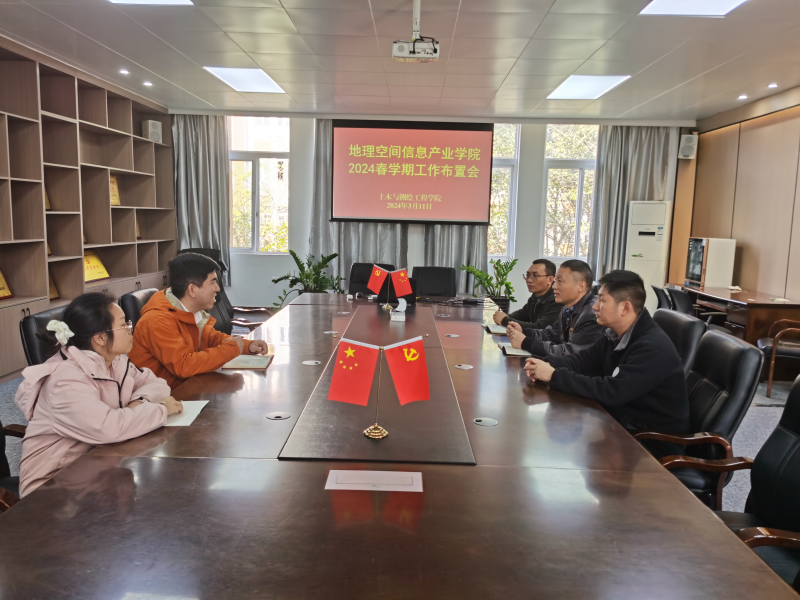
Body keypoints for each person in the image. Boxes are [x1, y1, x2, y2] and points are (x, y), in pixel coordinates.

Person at [14, 293, 183, 497]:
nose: (131, 328)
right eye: (124, 324)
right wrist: (160, 410)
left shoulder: (114, 361)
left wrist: (138, 403)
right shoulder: (66, 381)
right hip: (51, 486)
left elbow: (157, 384)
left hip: (97, 468)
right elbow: (109, 428)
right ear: (100, 338)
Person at [523, 270, 690, 457]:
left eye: (602, 300)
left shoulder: (651, 348)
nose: (595, 306)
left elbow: (612, 391)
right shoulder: (614, 334)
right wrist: (546, 363)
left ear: (624, 308)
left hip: (650, 444)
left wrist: (554, 376)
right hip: (621, 425)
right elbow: (583, 361)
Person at [130, 252, 269, 389]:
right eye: (213, 282)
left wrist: (246, 346)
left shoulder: (190, 310)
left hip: (187, 388)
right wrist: (232, 349)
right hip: (163, 397)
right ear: (192, 289)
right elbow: (184, 365)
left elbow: (212, 338)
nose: (218, 288)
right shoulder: (157, 320)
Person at [507, 259, 604, 357]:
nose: (554, 286)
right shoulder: (566, 309)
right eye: (555, 280)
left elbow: (570, 352)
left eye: (560, 281)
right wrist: (523, 331)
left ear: (581, 286)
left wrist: (526, 342)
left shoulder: (592, 314)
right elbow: (550, 334)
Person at [492, 258, 560, 330]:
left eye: (535, 276)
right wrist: (506, 316)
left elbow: (539, 328)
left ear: (550, 279)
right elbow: (523, 314)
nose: (529, 280)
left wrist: (504, 320)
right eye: (528, 275)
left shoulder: (556, 300)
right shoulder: (535, 296)